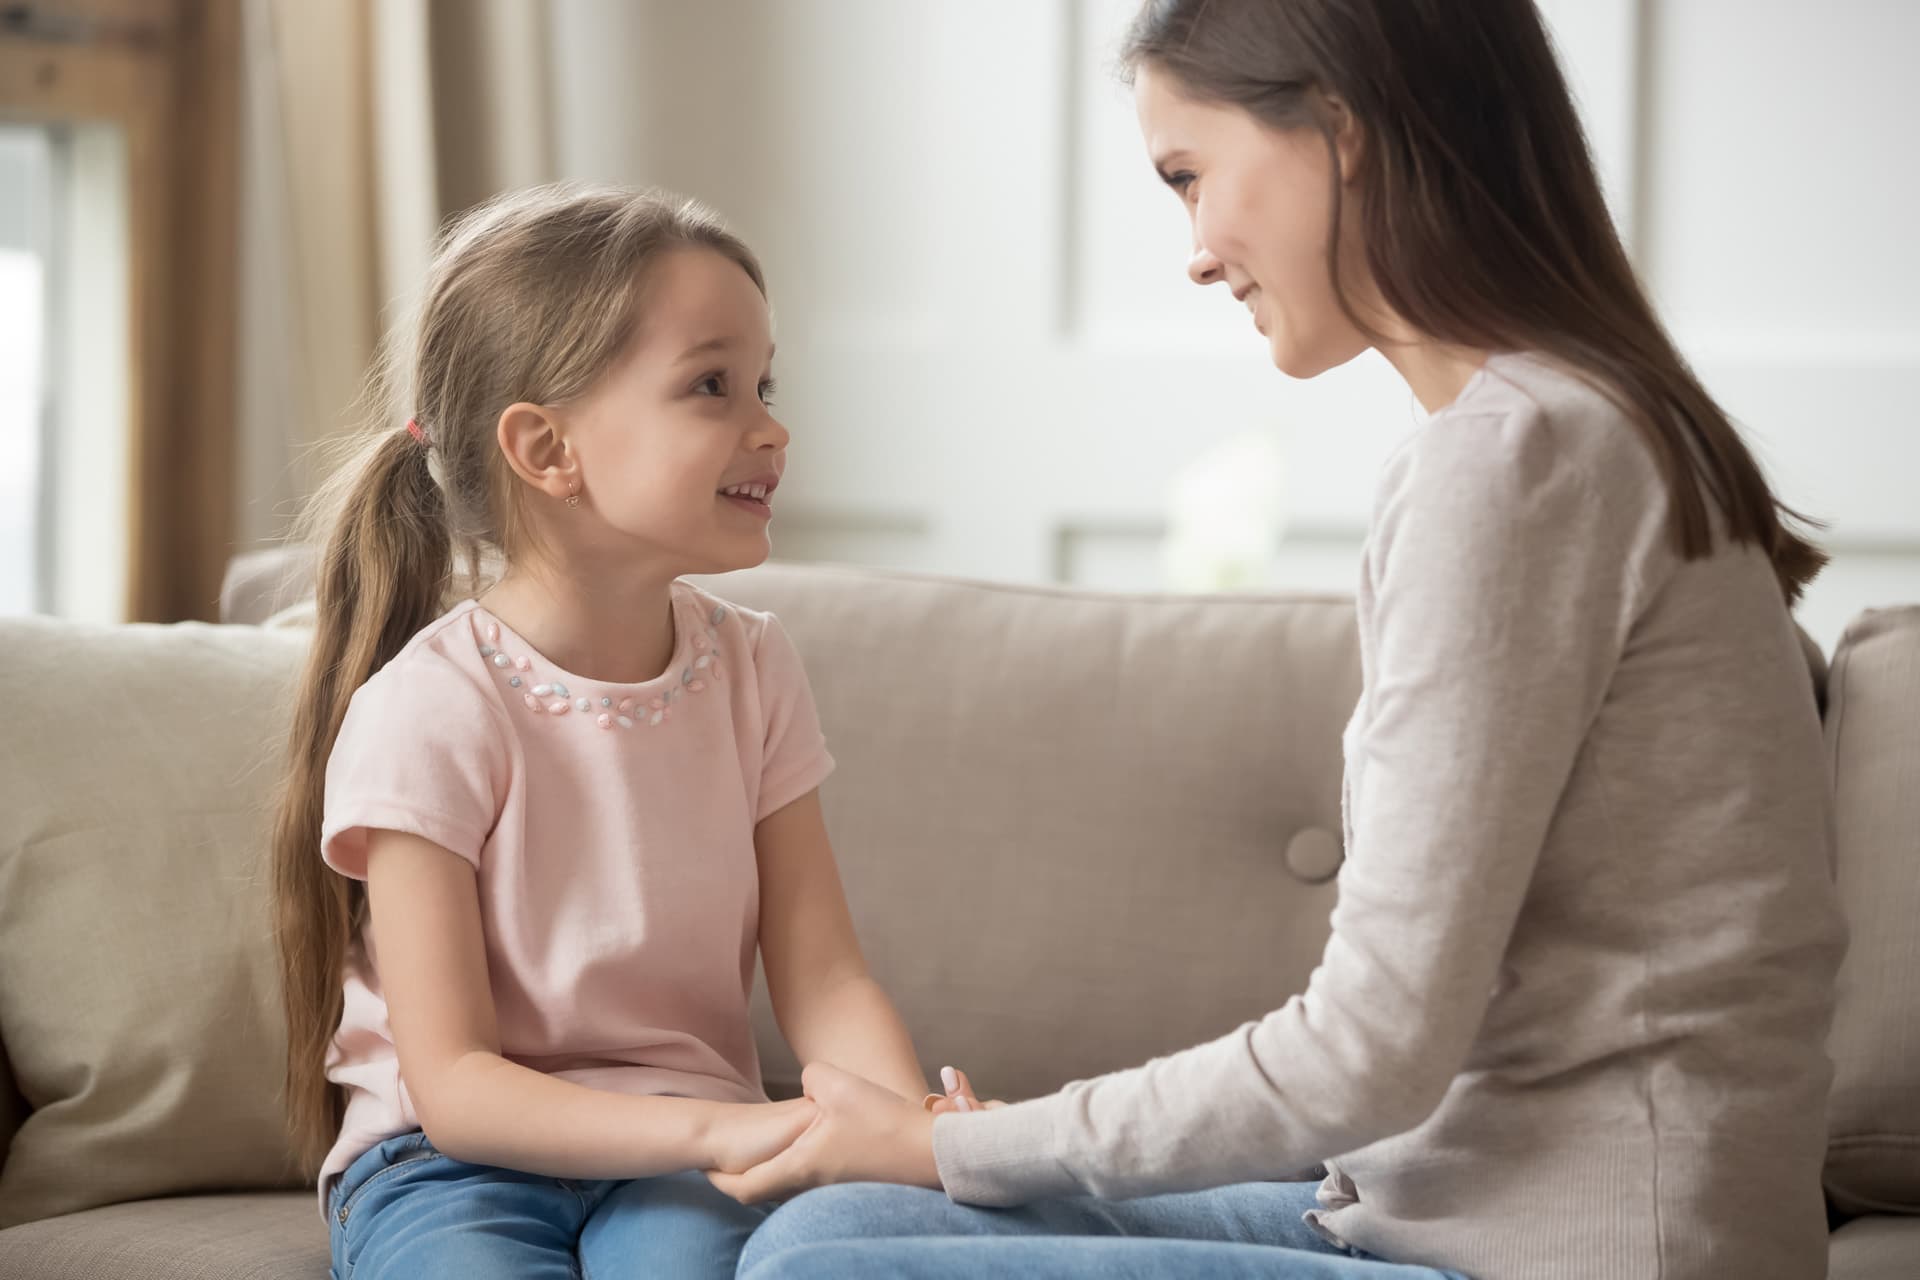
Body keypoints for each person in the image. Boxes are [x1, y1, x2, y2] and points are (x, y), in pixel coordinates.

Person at [720, 2, 1846, 1277]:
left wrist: (967, 1148)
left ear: (1338, 128)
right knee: (828, 1227)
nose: (1198, 253)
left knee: (827, 1264)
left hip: (1568, 1249)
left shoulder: (1516, 456)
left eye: (1190, 176)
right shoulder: (1573, 426)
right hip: (1426, 1211)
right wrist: (960, 1152)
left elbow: (1370, 1044)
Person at [268, 183, 930, 1280]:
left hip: (683, 1147)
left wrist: (913, 1130)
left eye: (763, 383)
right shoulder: (430, 706)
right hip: (445, 1158)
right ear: (546, 446)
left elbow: (825, 980)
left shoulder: (753, 668)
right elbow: (458, 1085)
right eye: (711, 385)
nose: (771, 426)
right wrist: (725, 1129)